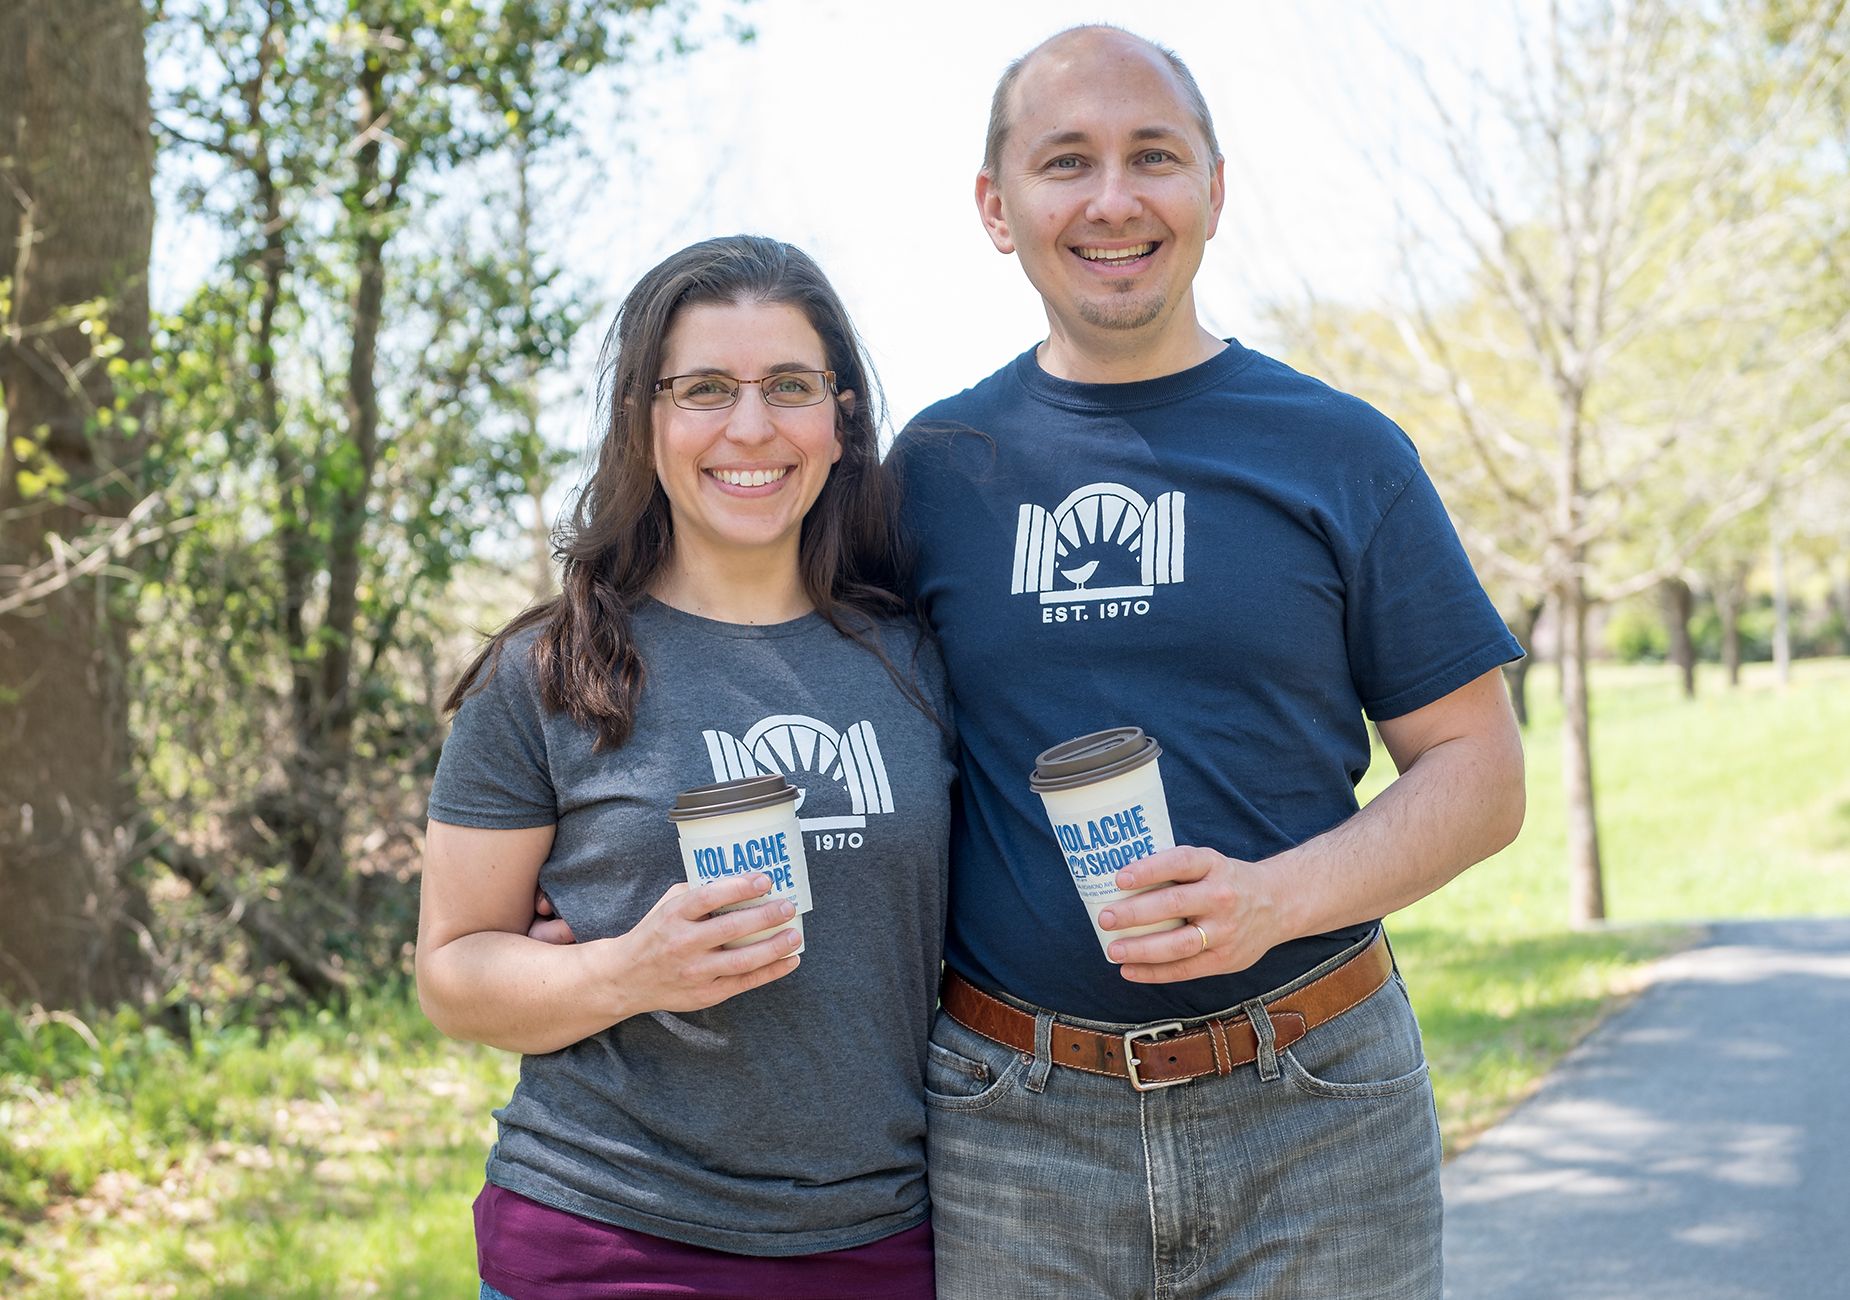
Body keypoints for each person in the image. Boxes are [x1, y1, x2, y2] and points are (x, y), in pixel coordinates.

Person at [887, 26, 1526, 1299]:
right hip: (1012, 1128)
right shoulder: (931, 473)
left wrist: (1271, 899)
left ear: (1214, 191)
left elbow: (1478, 773)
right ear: (995, 207)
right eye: (1064, 161)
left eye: (1153, 157)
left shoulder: (1341, 450)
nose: (1112, 199)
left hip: (1319, 1111)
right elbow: (816, 717)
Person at [416, 235, 954, 1300]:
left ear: (840, 420)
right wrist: (622, 972)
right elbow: (452, 972)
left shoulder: (919, 660)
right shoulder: (548, 671)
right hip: (607, 1240)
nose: (748, 427)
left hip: (878, 1243)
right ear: (643, 417)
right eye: (703, 388)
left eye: (789, 387)